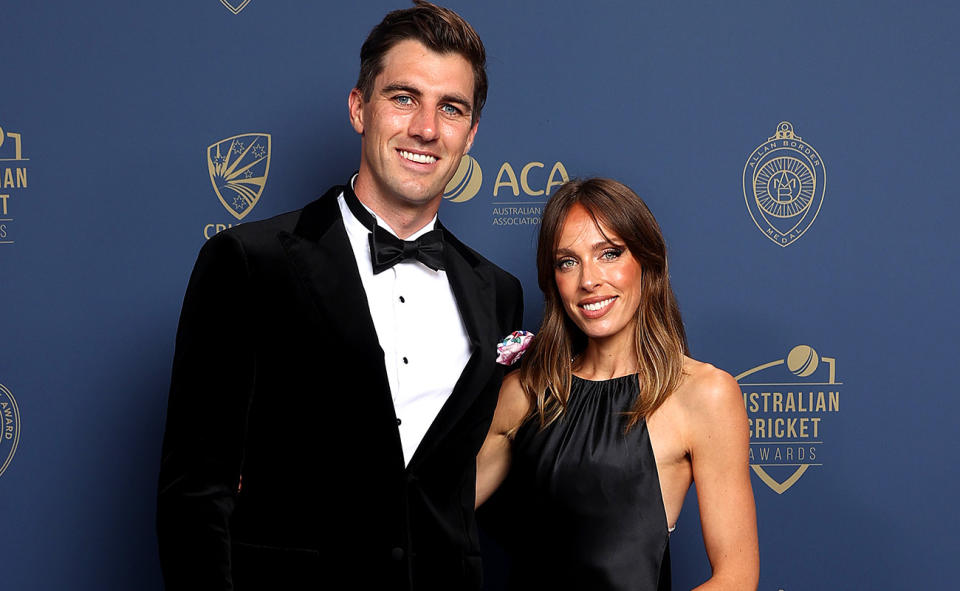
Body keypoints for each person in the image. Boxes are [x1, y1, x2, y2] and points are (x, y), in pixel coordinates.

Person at [156, 2, 523, 589]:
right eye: (404, 97)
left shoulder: (498, 293)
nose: (426, 128)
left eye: (450, 108)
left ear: (471, 133)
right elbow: (196, 491)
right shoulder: (250, 263)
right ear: (360, 108)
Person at [476, 178, 758, 590]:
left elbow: (736, 577)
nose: (588, 280)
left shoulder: (703, 394)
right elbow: (436, 515)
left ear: (646, 260)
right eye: (567, 262)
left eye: (609, 254)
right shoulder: (525, 393)